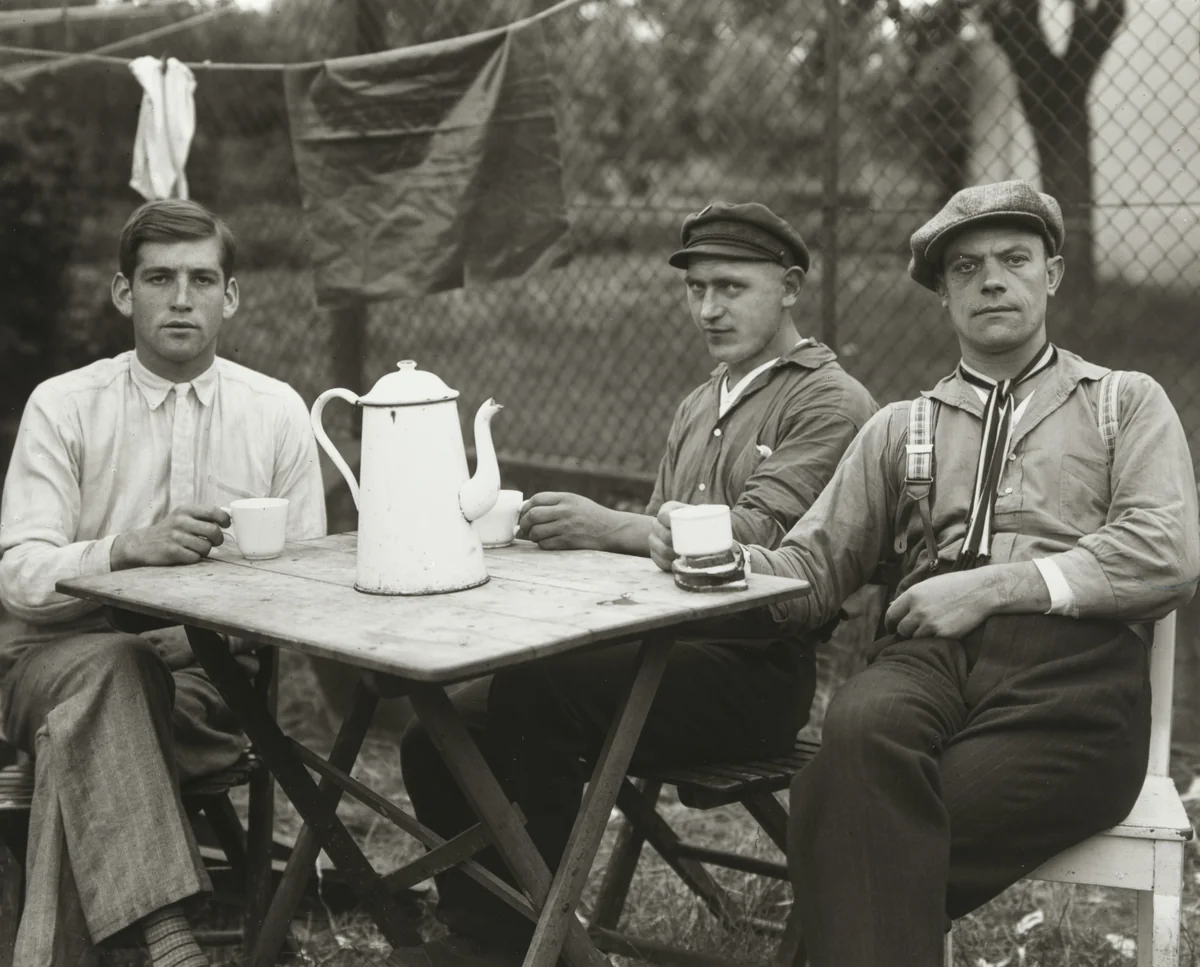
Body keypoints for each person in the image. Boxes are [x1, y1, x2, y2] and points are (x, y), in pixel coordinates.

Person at [651, 181, 1200, 967]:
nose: (992, 281)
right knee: (856, 732)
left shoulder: (1123, 404)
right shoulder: (898, 429)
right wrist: (722, 562)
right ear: (943, 292)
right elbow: (810, 567)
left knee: (845, 823)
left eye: (1015, 259)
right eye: (967, 268)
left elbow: (1165, 552)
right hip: (924, 659)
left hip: (1071, 684)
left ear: (1051, 274)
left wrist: (988, 587)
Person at [401, 202, 877, 966]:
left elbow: (748, 543)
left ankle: (531, 943)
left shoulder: (830, 401)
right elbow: (656, 545)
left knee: (540, 691)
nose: (708, 309)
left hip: (753, 673)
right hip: (657, 649)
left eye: (731, 287)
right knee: (440, 733)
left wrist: (609, 525)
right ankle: (483, 929)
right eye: (696, 289)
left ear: (790, 287)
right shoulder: (701, 401)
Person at [0, 199, 326, 967]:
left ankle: (148, 945)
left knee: (77, 740)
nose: (182, 297)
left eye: (202, 279)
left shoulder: (275, 412)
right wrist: (121, 549)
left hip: (209, 690)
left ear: (232, 295)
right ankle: (172, 940)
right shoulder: (65, 405)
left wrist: (202, 637)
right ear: (124, 293)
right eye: (160, 278)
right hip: (48, 669)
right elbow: (17, 576)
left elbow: (309, 586)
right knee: (114, 667)